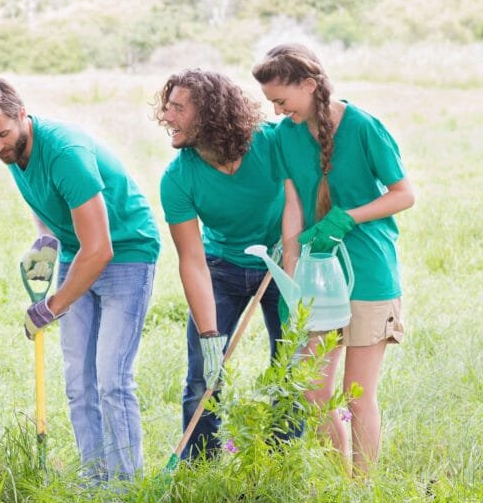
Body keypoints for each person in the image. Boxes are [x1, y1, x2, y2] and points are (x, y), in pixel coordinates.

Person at [0, 78, 161, 483]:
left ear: (22, 115)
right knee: (79, 383)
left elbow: (101, 249)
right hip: (78, 252)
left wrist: (51, 307)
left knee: (111, 380)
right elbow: (47, 205)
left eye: (2, 134)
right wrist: (46, 241)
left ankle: (126, 491)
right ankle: (95, 480)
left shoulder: (65, 153)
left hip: (126, 250)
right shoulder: (14, 154)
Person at [252, 44, 416, 475]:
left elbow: (404, 195)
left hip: (367, 272)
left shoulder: (363, 127)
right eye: (271, 102)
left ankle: (362, 491)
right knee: (313, 393)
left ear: (309, 85)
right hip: (317, 275)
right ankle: (338, 484)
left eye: (281, 100)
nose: (277, 111)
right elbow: (293, 207)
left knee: (357, 396)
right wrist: (291, 279)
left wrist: (348, 217)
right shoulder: (285, 135)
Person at [155, 69, 291, 459]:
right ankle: (199, 467)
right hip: (220, 266)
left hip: (282, 261)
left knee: (289, 368)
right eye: (166, 107)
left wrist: (290, 248)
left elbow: (309, 190)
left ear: (211, 113)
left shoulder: (270, 144)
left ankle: (281, 463)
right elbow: (192, 261)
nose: (166, 117)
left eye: (178, 108)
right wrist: (210, 336)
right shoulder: (178, 178)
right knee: (203, 376)